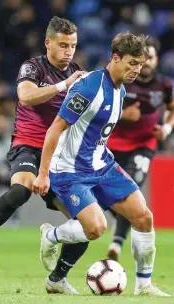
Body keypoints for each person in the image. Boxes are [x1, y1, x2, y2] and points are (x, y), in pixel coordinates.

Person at [0, 16, 88, 295]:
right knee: (20, 190)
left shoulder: (79, 74)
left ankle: (57, 278)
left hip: (59, 156)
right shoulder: (33, 67)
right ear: (48, 43)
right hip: (28, 145)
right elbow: (26, 97)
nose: (68, 51)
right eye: (63, 45)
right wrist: (64, 86)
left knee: (86, 222)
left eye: (72, 45)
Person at [33, 32, 171, 297]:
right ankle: (51, 236)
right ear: (115, 58)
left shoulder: (121, 88)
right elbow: (55, 129)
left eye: (140, 64)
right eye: (131, 63)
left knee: (144, 217)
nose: (136, 70)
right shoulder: (89, 86)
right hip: (70, 170)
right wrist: (43, 174)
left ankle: (144, 286)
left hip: (101, 165)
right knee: (95, 228)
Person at [106, 38, 174, 261]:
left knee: (131, 187)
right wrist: (124, 116)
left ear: (156, 61)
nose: (146, 63)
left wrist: (167, 128)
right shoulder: (123, 80)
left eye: (151, 58)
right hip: (112, 144)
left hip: (143, 145)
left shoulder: (164, 85)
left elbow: (172, 110)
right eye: (143, 59)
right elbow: (102, 109)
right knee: (107, 194)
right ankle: (124, 219)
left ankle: (117, 243)